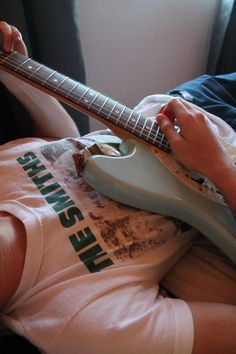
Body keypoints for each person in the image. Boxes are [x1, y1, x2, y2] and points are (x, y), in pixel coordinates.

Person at [0, 21, 235, 354]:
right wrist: (219, 168)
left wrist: (19, 78)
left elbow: (66, 144)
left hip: (189, 102)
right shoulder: (84, 325)